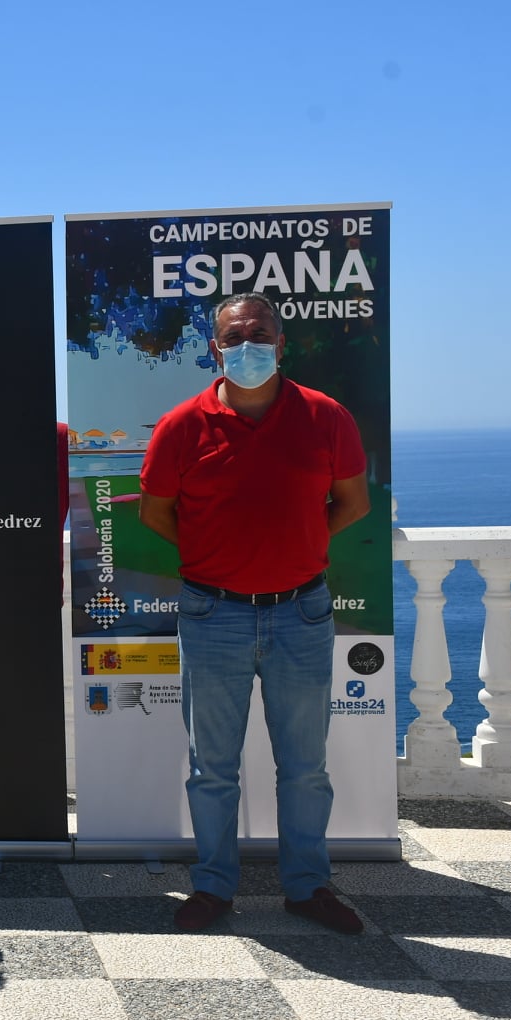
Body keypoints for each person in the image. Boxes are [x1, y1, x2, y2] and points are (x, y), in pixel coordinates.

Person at [139, 292, 371, 934]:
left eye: (259, 333)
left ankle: (308, 887)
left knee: (305, 766)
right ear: (214, 348)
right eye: (234, 337)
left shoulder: (326, 417)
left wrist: (303, 544)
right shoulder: (182, 424)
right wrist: (217, 554)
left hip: (301, 613)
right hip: (213, 615)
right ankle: (213, 887)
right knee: (210, 767)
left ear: (281, 341)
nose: (247, 346)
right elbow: (154, 512)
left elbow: (353, 502)